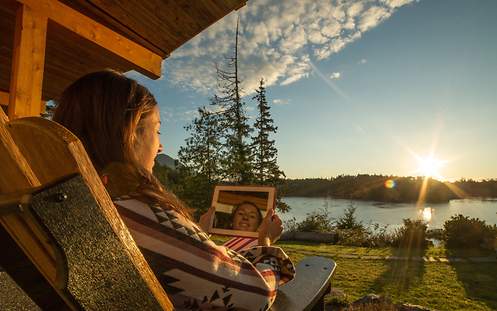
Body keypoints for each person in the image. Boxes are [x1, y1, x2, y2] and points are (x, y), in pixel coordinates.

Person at [53, 70, 294, 310]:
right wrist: (267, 246)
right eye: (157, 130)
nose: (160, 146)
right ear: (131, 133)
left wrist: (197, 236)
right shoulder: (133, 211)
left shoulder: (71, 208)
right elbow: (255, 295)